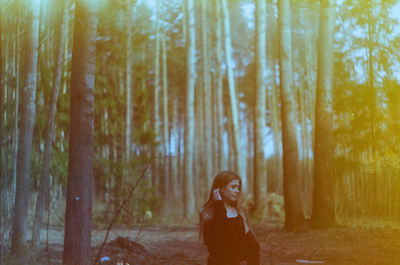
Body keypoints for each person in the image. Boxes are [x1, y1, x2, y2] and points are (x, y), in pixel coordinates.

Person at [199, 171, 260, 265]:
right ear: (221, 189)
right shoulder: (207, 213)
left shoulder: (240, 212)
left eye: (238, 187)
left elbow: (253, 246)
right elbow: (222, 239)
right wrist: (219, 205)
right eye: (233, 187)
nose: (237, 191)